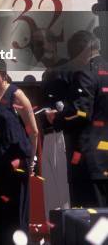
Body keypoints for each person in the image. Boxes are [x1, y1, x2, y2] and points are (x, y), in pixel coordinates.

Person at [46, 30, 108, 208]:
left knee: (90, 217)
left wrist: (56, 118)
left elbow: (81, 113)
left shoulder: (86, 73)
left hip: (90, 159)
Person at [0, 58, 38, 245]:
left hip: (16, 162)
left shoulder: (16, 95)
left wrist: (31, 160)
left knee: (15, 213)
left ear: (3, 74)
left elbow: (33, 131)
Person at [30, 28, 71, 219]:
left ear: (54, 44)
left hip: (63, 137)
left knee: (63, 193)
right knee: (51, 195)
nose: (37, 49)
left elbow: (80, 103)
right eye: (34, 46)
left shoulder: (67, 69)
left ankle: (68, 234)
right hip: (48, 136)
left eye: (40, 43)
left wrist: (61, 112)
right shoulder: (47, 74)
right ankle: (54, 234)